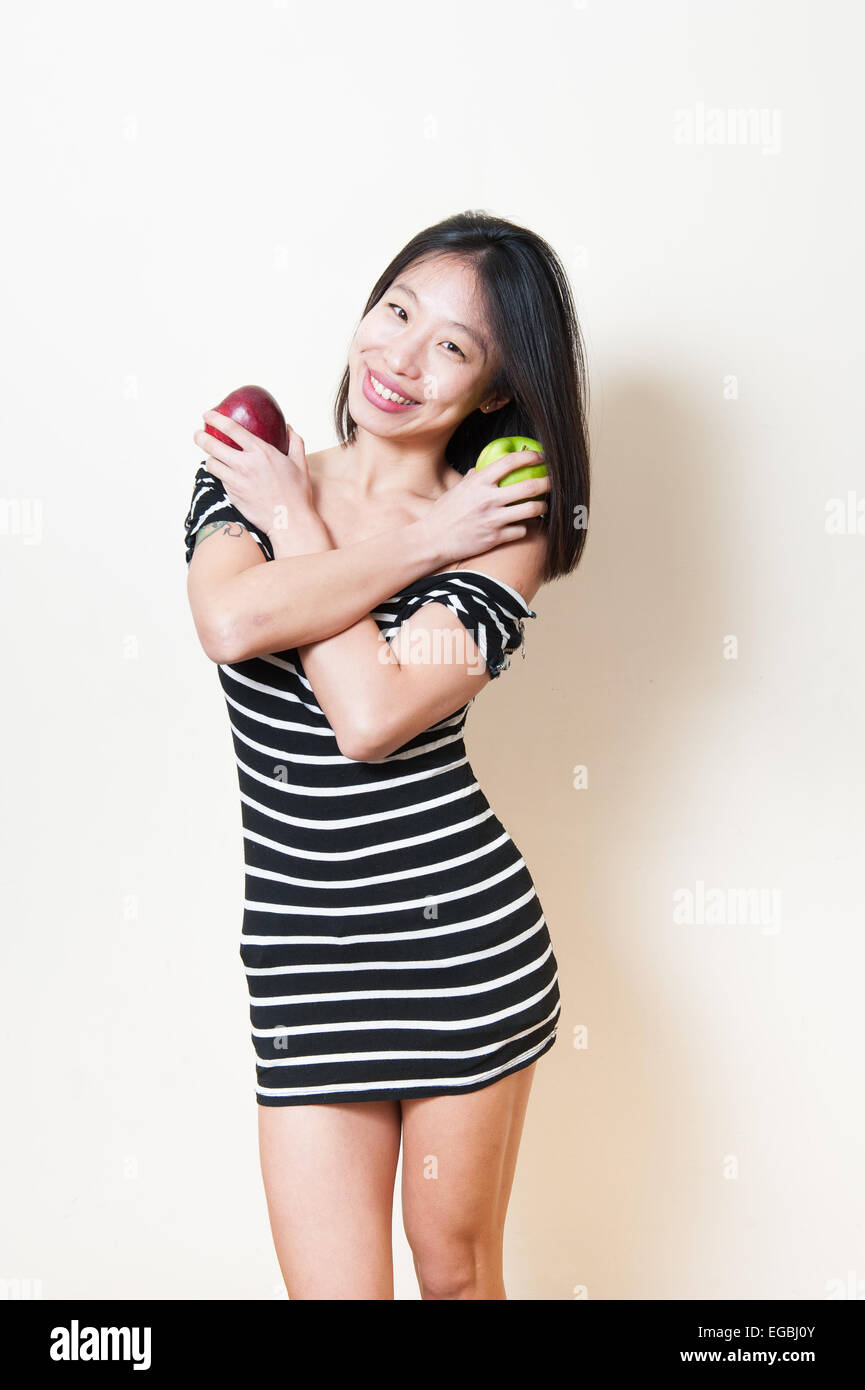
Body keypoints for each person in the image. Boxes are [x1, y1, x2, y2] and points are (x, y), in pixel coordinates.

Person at [184, 209, 590, 1299]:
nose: (402, 358)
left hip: (458, 954)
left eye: (452, 346)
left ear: (497, 390)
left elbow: (368, 714)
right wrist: (410, 538)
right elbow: (230, 624)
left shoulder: (504, 529)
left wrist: (320, 529)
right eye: (398, 311)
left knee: (454, 1275)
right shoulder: (252, 461)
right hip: (304, 962)